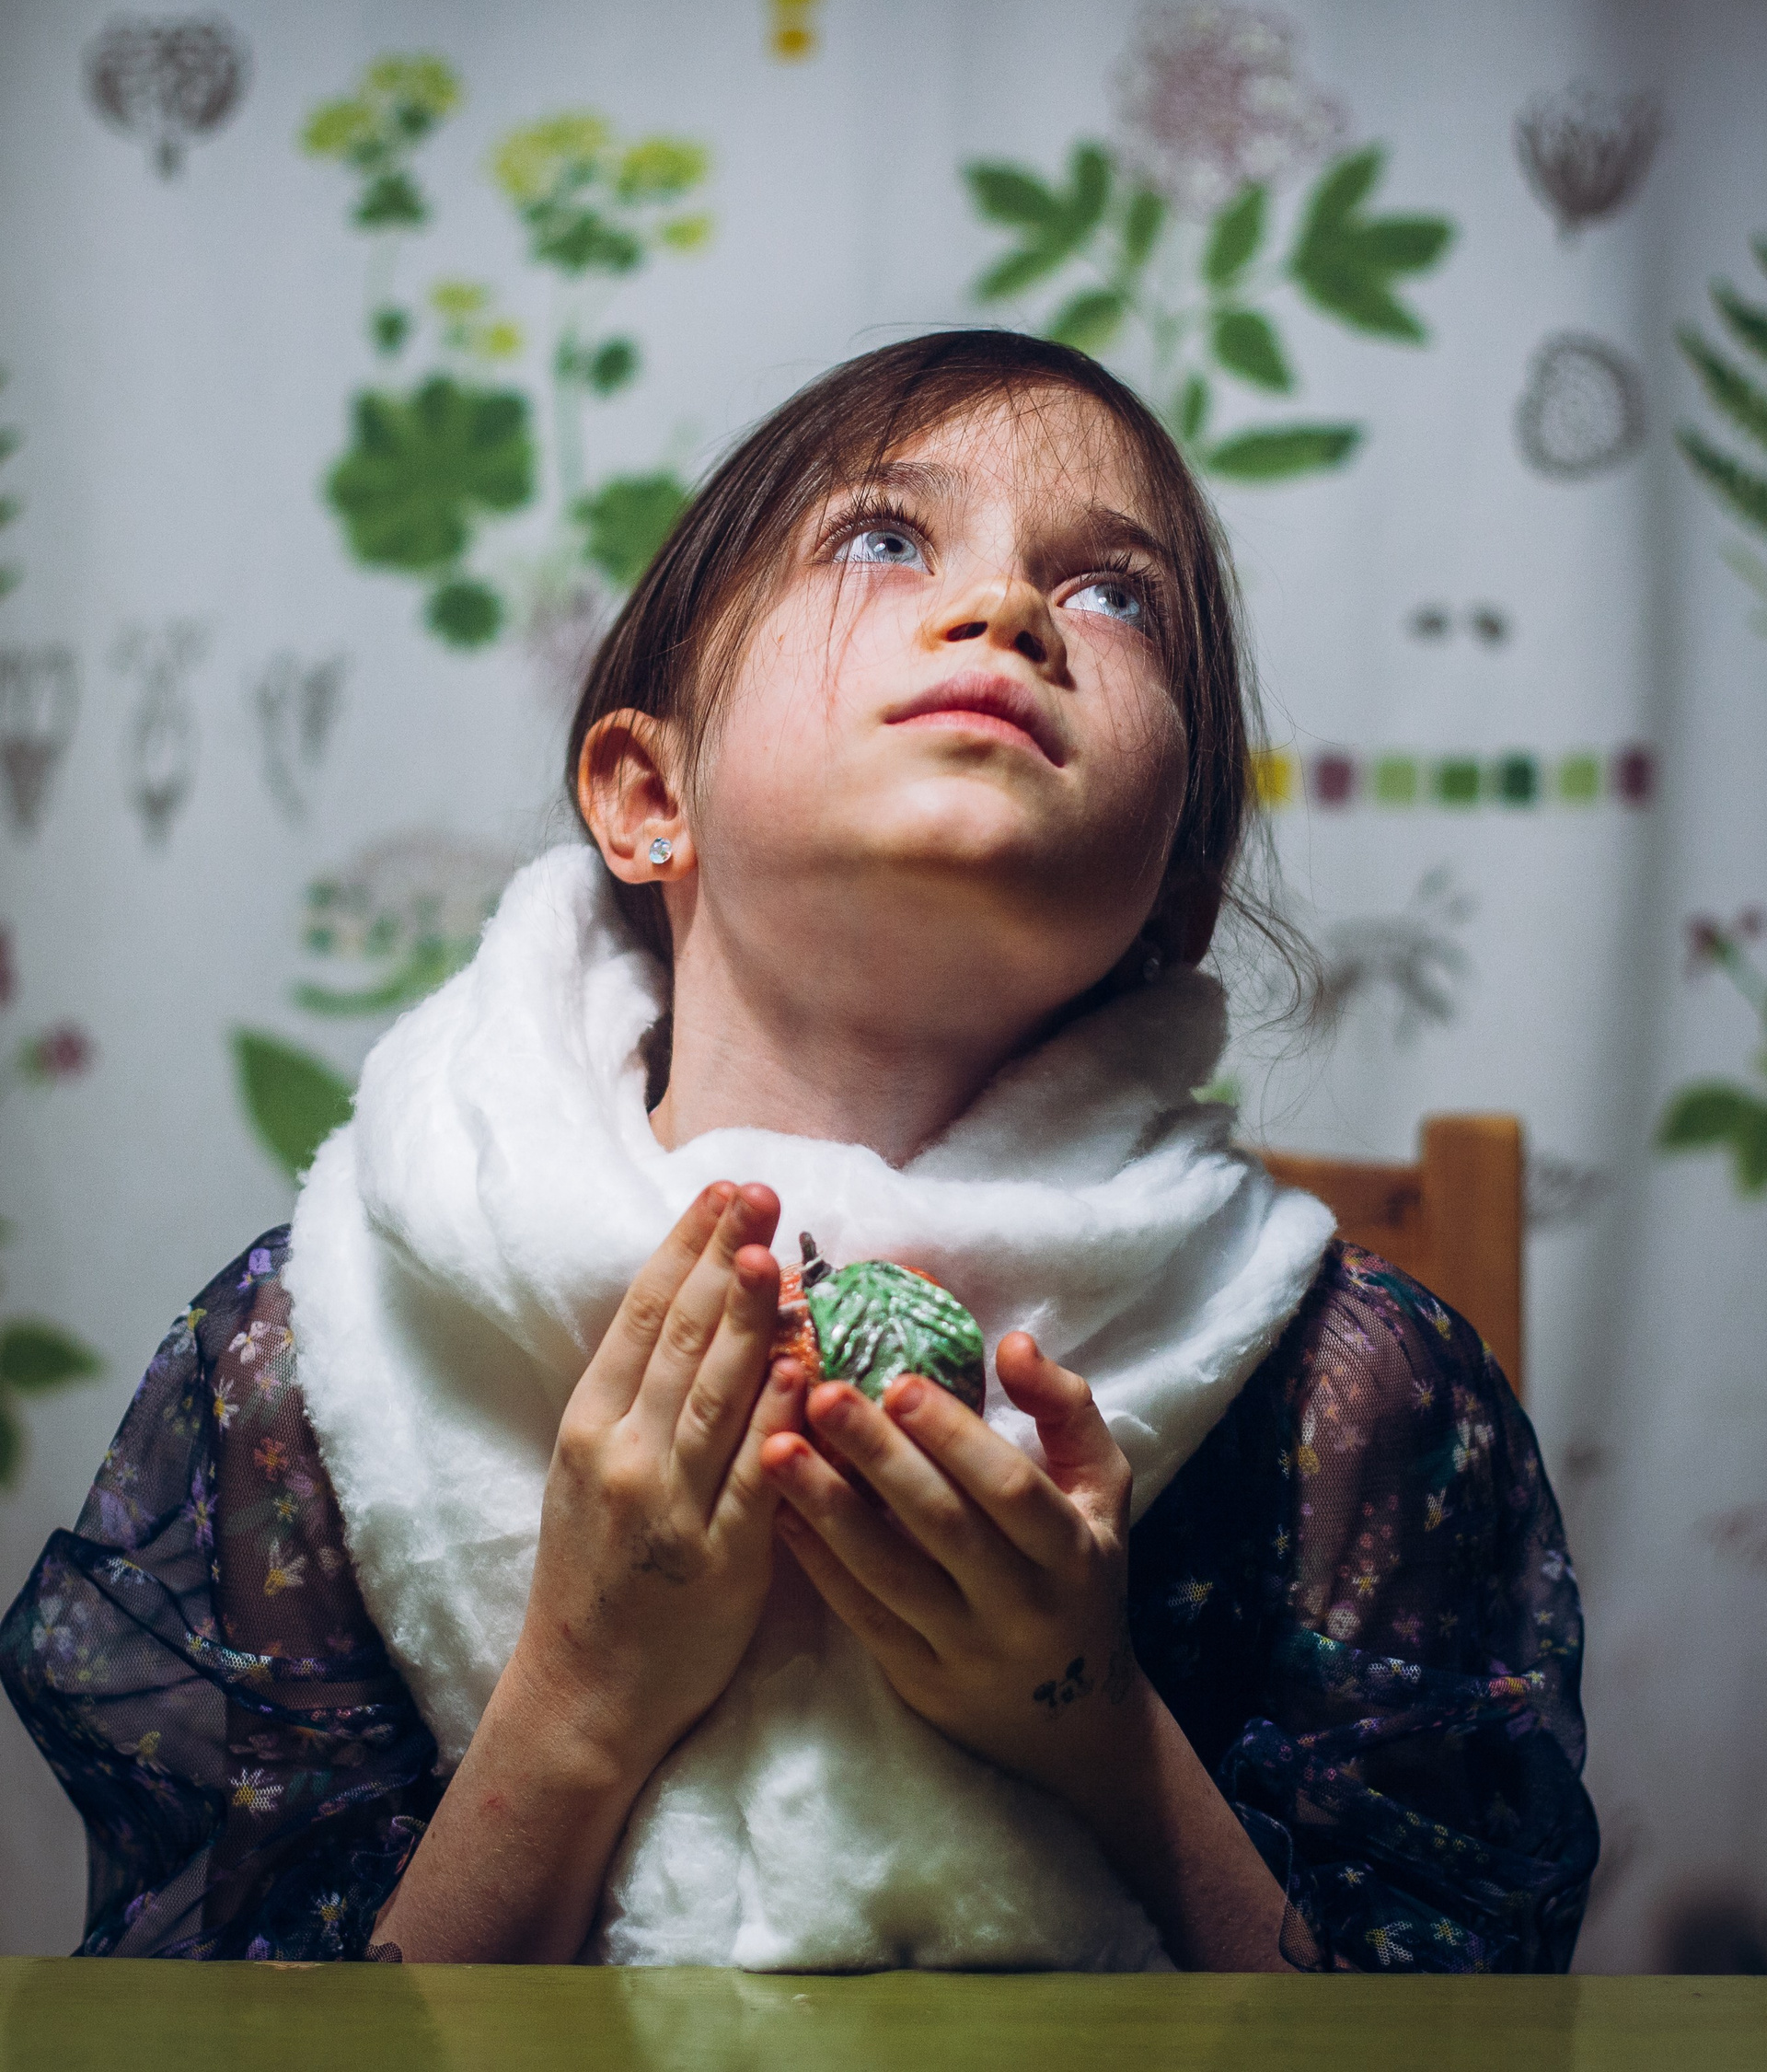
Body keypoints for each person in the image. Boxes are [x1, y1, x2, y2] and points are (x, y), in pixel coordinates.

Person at [2, 332, 1598, 1973]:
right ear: (647, 792)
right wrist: (577, 1696)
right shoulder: (314, 1353)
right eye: (886, 539)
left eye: (1116, 596)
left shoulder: (1350, 1390)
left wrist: (1090, 1717)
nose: (1010, 609)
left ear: (1175, 900)